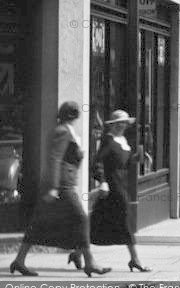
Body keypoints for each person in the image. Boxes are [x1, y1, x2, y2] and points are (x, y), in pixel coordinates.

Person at [10, 101, 111, 277]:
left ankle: (19, 261)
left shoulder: (67, 130)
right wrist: (54, 187)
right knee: (81, 218)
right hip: (62, 185)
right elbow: (55, 159)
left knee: (39, 223)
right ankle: (90, 262)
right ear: (74, 114)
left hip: (64, 183)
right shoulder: (63, 131)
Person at [85, 110, 151, 273]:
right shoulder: (108, 140)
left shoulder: (123, 140)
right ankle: (135, 259)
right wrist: (102, 182)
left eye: (125, 123)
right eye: (120, 123)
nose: (124, 125)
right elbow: (97, 163)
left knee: (97, 222)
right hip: (112, 186)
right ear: (114, 125)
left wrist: (137, 158)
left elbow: (125, 162)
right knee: (127, 220)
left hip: (122, 184)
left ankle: (77, 252)